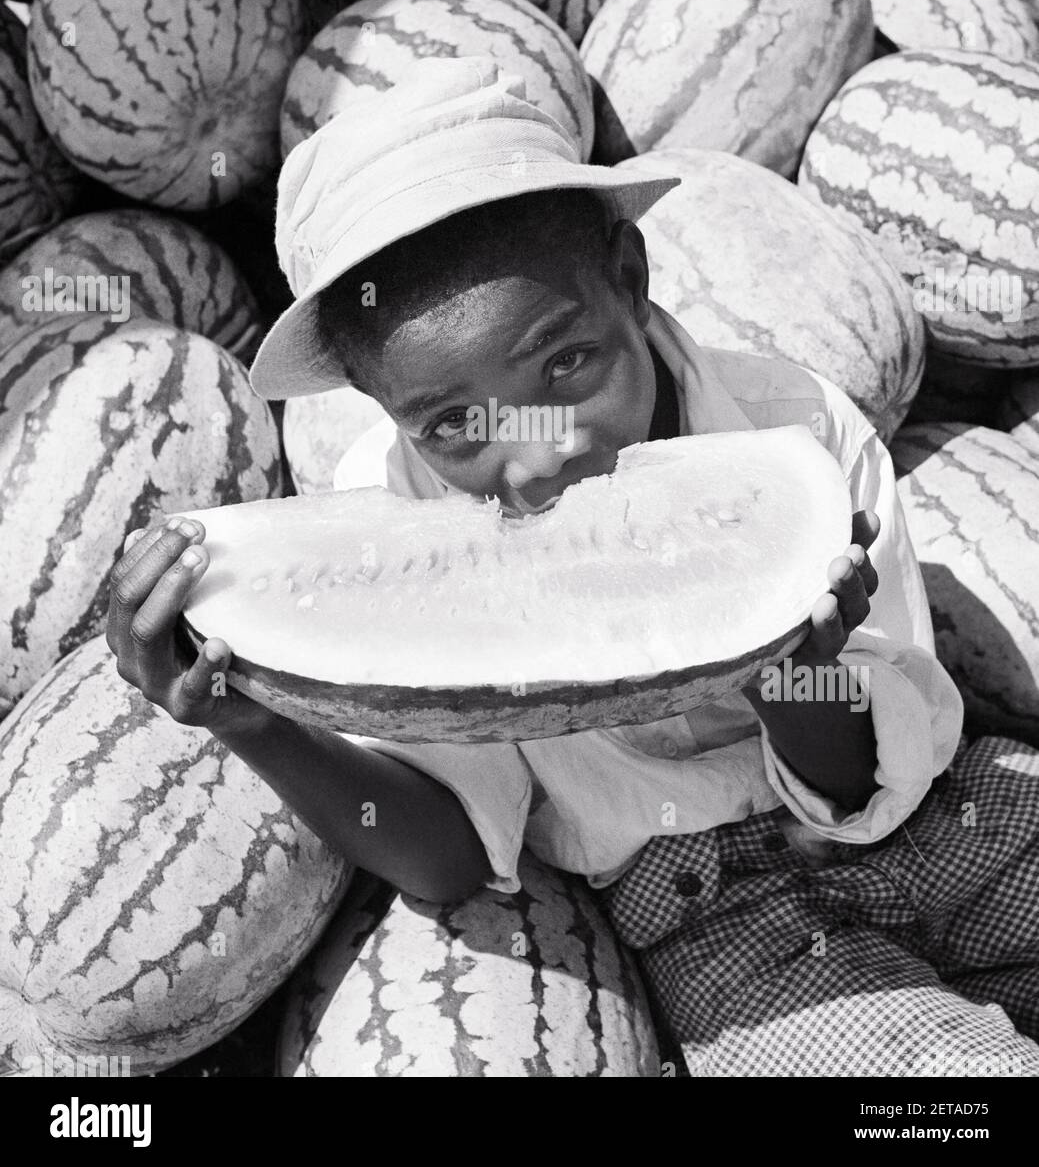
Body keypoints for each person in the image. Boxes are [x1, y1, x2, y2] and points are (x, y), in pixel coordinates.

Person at [106, 57, 1039, 1077]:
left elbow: (874, 773)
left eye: (565, 365)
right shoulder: (390, 524)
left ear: (629, 281)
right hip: (715, 913)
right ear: (381, 408)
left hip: (937, 810)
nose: (538, 451)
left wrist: (790, 668)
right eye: (455, 424)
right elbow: (447, 853)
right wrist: (248, 717)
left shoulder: (798, 430)